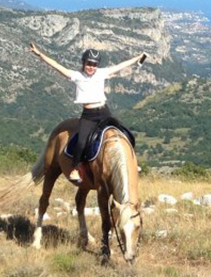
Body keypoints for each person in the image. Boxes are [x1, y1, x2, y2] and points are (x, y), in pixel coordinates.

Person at [29, 42, 148, 183]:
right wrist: (39, 54)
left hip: (104, 112)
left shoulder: (102, 73)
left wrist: (138, 58)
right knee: (81, 142)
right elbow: (56, 66)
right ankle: (75, 169)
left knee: (126, 133)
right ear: (84, 63)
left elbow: (121, 66)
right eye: (89, 64)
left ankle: (133, 161)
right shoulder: (76, 75)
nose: (91, 67)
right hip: (89, 115)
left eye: (94, 64)